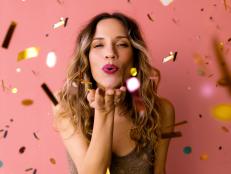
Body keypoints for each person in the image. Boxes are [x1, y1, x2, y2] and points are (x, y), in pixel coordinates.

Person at [52, 12, 175, 174]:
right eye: (98, 45)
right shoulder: (65, 105)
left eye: (122, 44)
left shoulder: (161, 110)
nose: (110, 53)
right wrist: (104, 111)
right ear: (86, 57)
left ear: (135, 57)